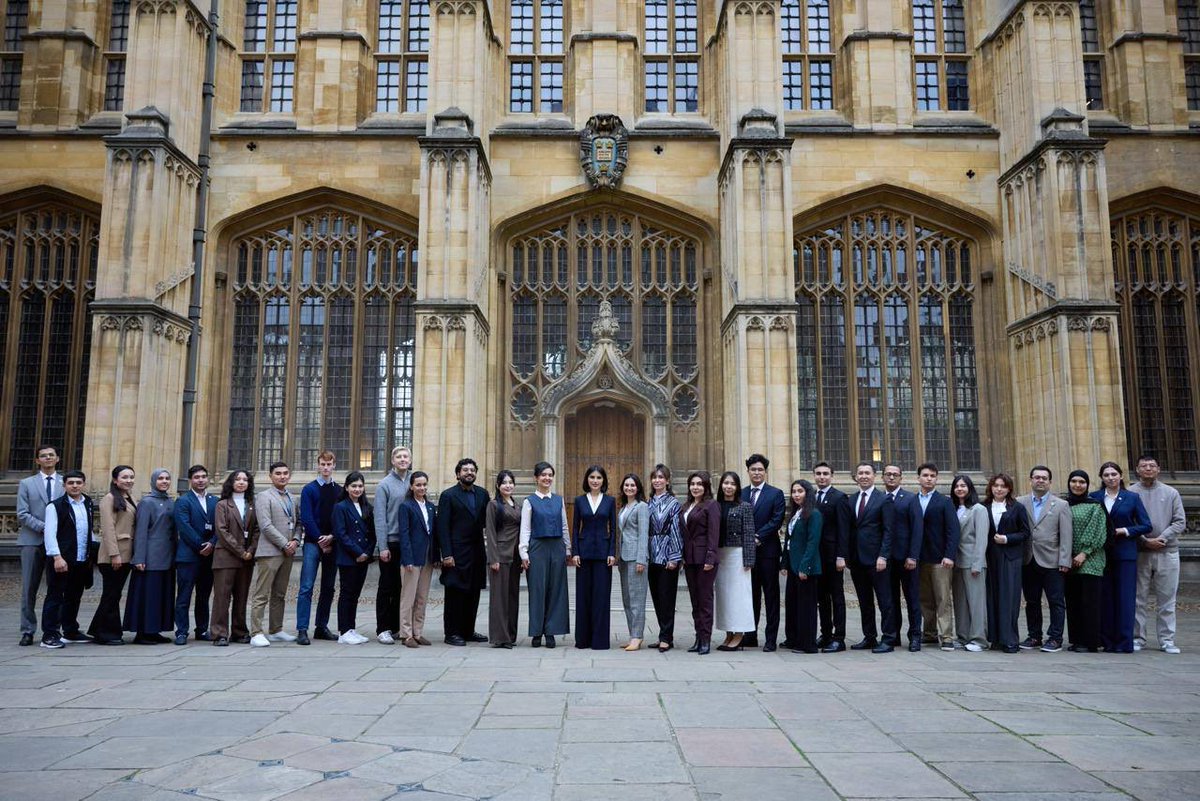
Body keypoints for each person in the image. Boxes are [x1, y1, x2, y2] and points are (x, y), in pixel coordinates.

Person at [1091, 461, 1151, 654]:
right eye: (1106, 475)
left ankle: (1124, 642)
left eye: (1114, 474)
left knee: (1125, 598)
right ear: (1101, 478)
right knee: (1105, 598)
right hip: (1101, 554)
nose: (1110, 478)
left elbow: (1146, 525)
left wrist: (1125, 530)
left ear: (1121, 476)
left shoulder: (1131, 497)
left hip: (1125, 553)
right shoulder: (1094, 497)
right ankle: (1107, 640)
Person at [1129, 455, 1186, 654]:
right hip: (1140, 552)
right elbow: (1127, 520)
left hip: (1167, 551)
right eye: (1144, 466)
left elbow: (1180, 521)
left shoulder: (1171, 492)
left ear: (1158, 469)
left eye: (1152, 465)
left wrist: (1161, 538)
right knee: (1138, 598)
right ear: (1137, 470)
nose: (1148, 469)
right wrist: (1144, 540)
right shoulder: (1130, 492)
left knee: (1167, 599)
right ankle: (1138, 637)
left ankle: (1167, 639)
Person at [1018, 465, 1073, 653]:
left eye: (1044, 478)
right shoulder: (1020, 502)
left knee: (1056, 600)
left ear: (1050, 482)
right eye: (1036, 477)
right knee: (1031, 601)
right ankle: (1034, 635)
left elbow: (1066, 535)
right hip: (1028, 559)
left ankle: (1055, 637)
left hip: (1052, 560)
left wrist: (1065, 560)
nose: (1040, 480)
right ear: (1030, 480)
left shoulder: (1061, 505)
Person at [436, 458, 490, 646]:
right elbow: (442, 527)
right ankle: (452, 633)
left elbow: (487, 522)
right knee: (455, 594)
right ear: (458, 474)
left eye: (472, 470)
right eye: (465, 470)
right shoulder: (448, 495)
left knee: (473, 592)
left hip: (476, 551)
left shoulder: (483, 494)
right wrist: (447, 554)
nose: (469, 473)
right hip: (456, 552)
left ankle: (468, 630)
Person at [40, 470, 96, 648]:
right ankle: (49, 634)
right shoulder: (55, 506)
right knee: (55, 596)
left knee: (74, 596)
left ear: (83, 484)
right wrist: (57, 556)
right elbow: (49, 534)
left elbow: (87, 530)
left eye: (78, 482)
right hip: (61, 558)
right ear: (64, 485)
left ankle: (70, 630)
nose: (75, 485)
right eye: (71, 482)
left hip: (80, 558)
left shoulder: (88, 502)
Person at [520, 461, 571, 648]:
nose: (547, 478)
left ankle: (551, 631)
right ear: (536, 478)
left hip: (557, 547)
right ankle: (536, 632)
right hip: (537, 548)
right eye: (543, 475)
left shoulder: (559, 500)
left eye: (550, 475)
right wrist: (523, 553)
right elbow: (525, 528)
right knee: (538, 590)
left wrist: (568, 548)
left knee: (556, 590)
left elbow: (564, 525)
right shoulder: (529, 501)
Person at [250, 461, 301, 647]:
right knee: (261, 593)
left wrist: (295, 541)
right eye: (278, 473)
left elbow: (298, 523)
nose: (282, 476)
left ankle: (276, 629)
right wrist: (284, 543)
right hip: (270, 551)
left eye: (285, 473)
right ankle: (256, 631)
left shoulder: (292, 498)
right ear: (270, 476)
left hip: (288, 552)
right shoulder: (264, 497)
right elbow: (265, 525)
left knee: (279, 593)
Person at [124, 468, 177, 644]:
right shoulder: (147, 502)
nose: (164, 481)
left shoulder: (170, 501)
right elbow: (140, 532)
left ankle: (154, 629)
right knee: (147, 595)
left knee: (161, 594)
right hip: (150, 556)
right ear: (154, 481)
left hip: (167, 555)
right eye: (160, 478)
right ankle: (142, 632)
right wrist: (139, 558)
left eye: (167, 478)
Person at [16, 444, 62, 646]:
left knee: (57, 589)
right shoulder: (27, 483)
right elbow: (22, 513)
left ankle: (52, 629)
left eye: (51, 455)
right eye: (43, 456)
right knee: (29, 589)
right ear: (37, 460)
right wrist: (46, 527)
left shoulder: (66, 482)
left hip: (59, 545)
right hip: (32, 541)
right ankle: (27, 630)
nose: (48, 458)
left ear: (57, 458)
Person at [848, 462, 895, 653]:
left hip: (878, 560)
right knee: (864, 601)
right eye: (860, 473)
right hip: (857, 560)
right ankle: (869, 637)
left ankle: (889, 638)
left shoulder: (883, 499)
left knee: (885, 600)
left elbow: (889, 530)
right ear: (856, 477)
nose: (864, 476)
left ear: (875, 476)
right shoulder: (851, 500)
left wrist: (883, 555)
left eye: (867, 473)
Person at [740, 454, 785, 651]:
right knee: (751, 596)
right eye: (753, 470)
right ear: (748, 472)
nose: (756, 473)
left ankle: (770, 638)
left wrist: (758, 537)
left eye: (760, 470)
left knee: (771, 596)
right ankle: (750, 635)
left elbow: (776, 520)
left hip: (768, 552)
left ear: (765, 472)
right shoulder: (741, 494)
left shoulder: (776, 493)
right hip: (747, 554)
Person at [297, 450, 341, 645]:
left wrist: (331, 537)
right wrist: (320, 539)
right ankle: (302, 629)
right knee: (306, 586)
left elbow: (340, 518)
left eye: (329, 464)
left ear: (334, 466)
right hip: (313, 544)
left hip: (332, 543)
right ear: (318, 465)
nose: (325, 468)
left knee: (329, 587)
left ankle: (321, 626)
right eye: (322, 464)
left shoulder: (339, 490)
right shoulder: (309, 489)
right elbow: (306, 517)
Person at [88, 465, 136, 645]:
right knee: (112, 594)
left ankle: (97, 629)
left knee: (112, 594)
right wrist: (114, 555)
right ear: (115, 480)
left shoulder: (128, 498)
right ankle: (107, 633)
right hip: (113, 556)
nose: (129, 480)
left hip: (126, 554)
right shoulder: (108, 499)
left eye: (131, 477)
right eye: (125, 477)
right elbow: (107, 529)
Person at [572, 465, 617, 651]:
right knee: (583, 597)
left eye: (599, 477)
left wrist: (612, 552)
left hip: (603, 555)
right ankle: (582, 640)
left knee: (601, 597)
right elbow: (575, 528)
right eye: (592, 477)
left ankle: (599, 641)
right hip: (583, 553)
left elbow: (614, 528)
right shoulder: (579, 501)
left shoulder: (610, 501)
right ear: (587, 479)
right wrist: (575, 552)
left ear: (604, 481)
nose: (595, 480)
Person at [916, 463, 960, 652]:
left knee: (943, 598)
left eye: (932, 476)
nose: (929, 478)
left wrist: (949, 555)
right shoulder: (912, 500)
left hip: (940, 559)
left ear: (936, 479)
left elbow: (953, 530)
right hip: (919, 558)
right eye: (925, 475)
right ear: (919, 478)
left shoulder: (944, 502)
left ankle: (947, 636)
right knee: (925, 599)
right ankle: (929, 633)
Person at [211, 470, 258, 647]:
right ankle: (219, 633)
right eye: (237, 479)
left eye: (245, 480)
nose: (241, 482)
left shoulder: (251, 504)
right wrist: (241, 551)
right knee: (222, 597)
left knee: (242, 596)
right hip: (226, 556)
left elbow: (257, 530)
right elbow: (222, 531)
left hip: (246, 558)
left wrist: (251, 550)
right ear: (231, 482)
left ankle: (239, 631)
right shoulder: (222, 505)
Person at [984, 473, 1030, 653]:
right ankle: (995, 638)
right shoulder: (983, 507)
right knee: (992, 597)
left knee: (1009, 598)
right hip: (990, 556)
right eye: (996, 485)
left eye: (1003, 486)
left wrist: (1007, 538)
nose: (999, 489)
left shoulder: (1016, 507)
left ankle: (1010, 639)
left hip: (1010, 557)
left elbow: (1025, 533)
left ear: (1009, 488)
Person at [172, 465, 217, 645]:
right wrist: (201, 545)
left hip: (209, 556)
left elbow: (220, 526)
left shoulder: (215, 500)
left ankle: (202, 629)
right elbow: (184, 526)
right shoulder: (183, 501)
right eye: (197, 477)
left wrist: (212, 543)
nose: (201, 480)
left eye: (204, 477)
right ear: (191, 479)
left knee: (203, 596)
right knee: (184, 596)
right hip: (189, 556)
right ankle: (181, 631)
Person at [1064, 470, 1108, 653]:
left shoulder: (1095, 505)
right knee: (1073, 602)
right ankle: (1076, 639)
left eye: (1082, 481)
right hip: (1069, 560)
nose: (1077, 485)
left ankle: (1090, 641)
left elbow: (1097, 531)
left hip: (1090, 560)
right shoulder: (1064, 504)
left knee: (1089, 602)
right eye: (1073, 481)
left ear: (1087, 485)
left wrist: (1084, 552)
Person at [882, 464, 924, 651]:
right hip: (886, 559)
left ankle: (915, 635)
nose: (891, 477)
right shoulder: (879, 498)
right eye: (888, 474)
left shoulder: (910, 499)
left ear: (901, 478)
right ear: (883, 477)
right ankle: (893, 635)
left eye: (895, 475)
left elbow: (917, 529)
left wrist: (913, 556)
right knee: (890, 600)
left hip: (907, 558)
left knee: (912, 598)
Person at [332, 471, 376, 645]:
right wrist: (358, 552)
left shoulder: (367, 507)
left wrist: (367, 553)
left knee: (356, 595)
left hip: (364, 557)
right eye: (354, 486)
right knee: (347, 593)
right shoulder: (341, 507)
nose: (357, 489)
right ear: (347, 487)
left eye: (360, 486)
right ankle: (344, 631)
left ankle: (351, 628)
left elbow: (372, 534)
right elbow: (341, 534)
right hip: (349, 557)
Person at [374, 446, 412, 644]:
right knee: (387, 587)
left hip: (410, 543)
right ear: (392, 460)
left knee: (403, 587)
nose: (403, 459)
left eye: (406, 456)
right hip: (392, 541)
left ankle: (397, 626)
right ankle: (383, 628)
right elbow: (380, 518)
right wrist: (383, 547)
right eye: (399, 456)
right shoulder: (384, 485)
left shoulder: (415, 481)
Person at [714, 471, 756, 651]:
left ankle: (739, 634)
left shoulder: (744, 506)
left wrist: (749, 559)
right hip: (720, 554)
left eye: (732, 483)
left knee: (739, 596)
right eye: (725, 483)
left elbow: (748, 533)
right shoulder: (715, 505)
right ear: (721, 485)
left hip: (737, 555)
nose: (728, 487)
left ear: (737, 487)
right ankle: (728, 633)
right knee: (724, 597)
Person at [680, 471, 720, 655]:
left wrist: (710, 558)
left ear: (706, 487)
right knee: (695, 601)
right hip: (690, 559)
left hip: (705, 559)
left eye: (699, 484)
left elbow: (714, 533)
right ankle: (698, 637)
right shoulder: (686, 505)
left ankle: (706, 640)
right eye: (692, 484)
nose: (695, 487)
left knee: (705, 601)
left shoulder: (711, 505)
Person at [812, 462, 851, 652]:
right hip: (816, 557)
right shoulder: (811, 497)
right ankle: (825, 633)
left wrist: (841, 556)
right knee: (821, 598)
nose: (822, 477)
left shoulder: (839, 498)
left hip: (833, 556)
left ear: (832, 476)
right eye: (818, 473)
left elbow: (844, 530)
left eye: (825, 474)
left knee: (837, 597)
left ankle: (839, 637)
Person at [398, 471, 438, 648]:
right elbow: (404, 534)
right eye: (418, 485)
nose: (422, 488)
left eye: (424, 485)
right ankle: (406, 634)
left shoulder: (430, 506)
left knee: (422, 597)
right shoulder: (406, 506)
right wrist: (407, 559)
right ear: (412, 486)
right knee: (408, 598)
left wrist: (436, 556)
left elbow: (433, 534)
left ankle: (418, 632)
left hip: (427, 557)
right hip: (411, 559)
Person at [782, 479, 822, 654]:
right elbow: (789, 541)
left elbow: (813, 542)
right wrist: (784, 562)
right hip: (793, 565)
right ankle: (794, 638)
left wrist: (804, 567)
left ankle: (807, 644)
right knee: (793, 604)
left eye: (800, 491)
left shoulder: (814, 514)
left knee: (807, 607)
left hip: (806, 567)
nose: (796, 495)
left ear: (807, 493)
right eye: (794, 492)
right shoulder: (796, 513)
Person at [950, 475, 989, 652]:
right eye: (957, 486)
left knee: (976, 601)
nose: (960, 489)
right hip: (956, 561)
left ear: (970, 488)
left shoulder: (978, 509)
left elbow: (982, 538)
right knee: (960, 602)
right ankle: (963, 636)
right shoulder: (954, 508)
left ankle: (979, 638)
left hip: (973, 560)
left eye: (963, 486)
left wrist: (978, 563)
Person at [646, 465, 683, 653]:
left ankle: (666, 637)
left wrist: (674, 557)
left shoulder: (674, 503)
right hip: (652, 555)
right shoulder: (649, 502)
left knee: (667, 597)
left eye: (661, 477)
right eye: (654, 477)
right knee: (657, 597)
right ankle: (663, 633)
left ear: (667, 481)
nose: (657, 480)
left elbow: (676, 531)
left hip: (667, 555)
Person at [485, 470, 521, 648]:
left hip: (515, 556)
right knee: (499, 599)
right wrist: (493, 558)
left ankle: (511, 635)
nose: (508, 485)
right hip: (500, 555)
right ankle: (500, 637)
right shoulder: (493, 505)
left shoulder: (517, 504)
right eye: (504, 482)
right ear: (498, 486)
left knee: (512, 597)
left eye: (511, 482)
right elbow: (490, 532)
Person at [616, 473, 650, 651]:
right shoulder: (623, 507)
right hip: (624, 557)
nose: (629, 488)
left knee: (637, 599)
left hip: (636, 558)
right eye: (627, 485)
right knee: (627, 599)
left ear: (638, 488)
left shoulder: (642, 507)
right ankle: (633, 635)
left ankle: (637, 636)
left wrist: (641, 559)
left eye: (633, 485)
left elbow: (643, 534)